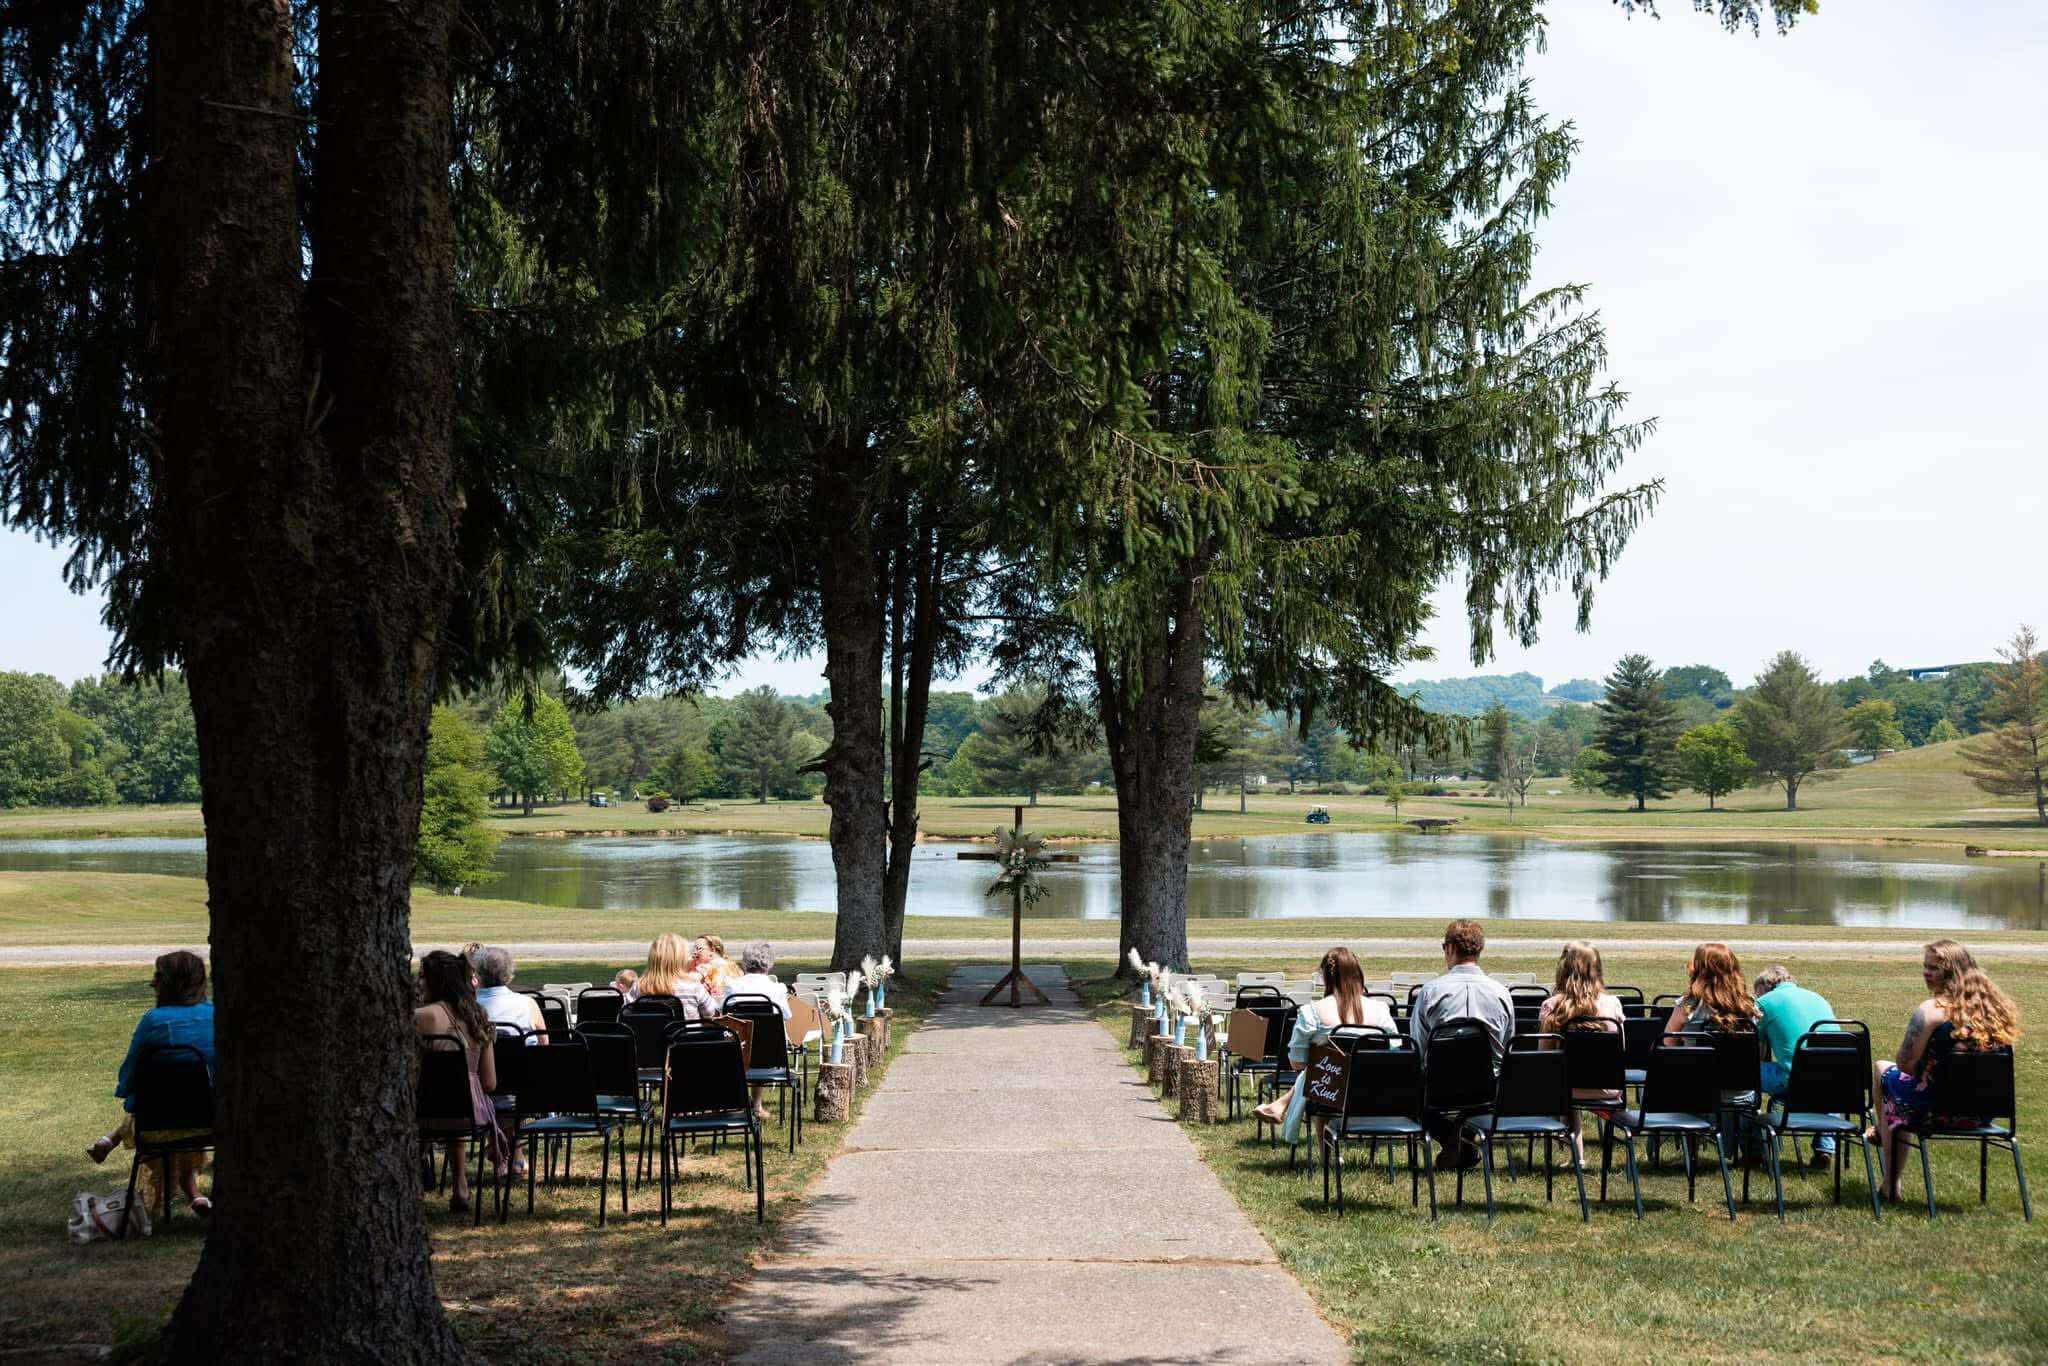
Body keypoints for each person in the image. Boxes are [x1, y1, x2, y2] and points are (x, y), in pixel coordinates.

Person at [1872, 939, 2023, 1202]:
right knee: (1898, 1095)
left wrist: (1925, 1068)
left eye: (1933, 968)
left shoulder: (1931, 1011)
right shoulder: (1995, 1013)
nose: (1926, 973)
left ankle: (1891, 1181)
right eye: (1925, 966)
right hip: (1981, 1114)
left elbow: (1905, 1063)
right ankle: (1884, 1137)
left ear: (1952, 972)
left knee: (1883, 1071)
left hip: (1935, 1112)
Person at [86, 950, 216, 1217]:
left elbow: (127, 1081)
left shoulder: (153, 1022)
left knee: (158, 1117)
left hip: (158, 1125)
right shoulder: (216, 1016)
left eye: (157, 976)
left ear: (168, 983)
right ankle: (195, 1196)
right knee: (179, 1117)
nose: (152, 982)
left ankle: (192, 1195)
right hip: (214, 1123)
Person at [1251, 948, 1394, 1143]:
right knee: (1322, 1073)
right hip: (1374, 1090)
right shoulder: (1380, 1010)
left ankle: (1323, 1151)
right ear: (1358, 974)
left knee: (1321, 1073)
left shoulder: (1312, 1013)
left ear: (1326, 978)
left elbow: (1296, 1063)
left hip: (1328, 1093)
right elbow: (1396, 1051)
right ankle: (1280, 1105)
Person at [1410, 920, 1515, 1169]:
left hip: (1437, 1088)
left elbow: (1417, 1048)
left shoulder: (1430, 992)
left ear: (1449, 949)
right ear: (1478, 950)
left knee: (1404, 1090)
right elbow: (1508, 1046)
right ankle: (1463, 1135)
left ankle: (1452, 1137)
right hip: (1488, 1090)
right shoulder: (1501, 994)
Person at [413, 949, 502, 1215]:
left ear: (434, 981)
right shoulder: (479, 1016)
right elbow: (489, 1083)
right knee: (456, 1093)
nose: (418, 983)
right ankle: (460, 1183)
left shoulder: (421, 1017)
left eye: (421, 977)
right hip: (470, 1115)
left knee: (433, 1095)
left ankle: (413, 1176)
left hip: (424, 1111)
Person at [1753, 964, 1838, 1168]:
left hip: (1792, 1079)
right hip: (1835, 1080)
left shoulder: (1765, 1003)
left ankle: (1752, 1147)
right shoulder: (1818, 998)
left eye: (1756, 993)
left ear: (1765, 987)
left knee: (1740, 1074)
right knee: (1824, 1079)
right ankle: (1824, 1148)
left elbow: (1754, 1046)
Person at [1538, 940, 1625, 1105]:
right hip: (1608, 1088)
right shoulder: (1613, 1004)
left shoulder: (1552, 1007)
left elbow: (1544, 1059)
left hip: (1563, 1088)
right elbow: (1621, 1051)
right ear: (1598, 969)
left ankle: (1570, 1129)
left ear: (1563, 969)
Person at [637, 932, 717, 1019]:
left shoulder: (639, 986)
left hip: (651, 1032)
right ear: (681, 959)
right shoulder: (693, 987)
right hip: (687, 1032)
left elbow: (627, 1011)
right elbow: (711, 1013)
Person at [471, 945, 546, 1034]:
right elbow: (543, 1043)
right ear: (509, 975)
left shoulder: (465, 1007)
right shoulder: (528, 1004)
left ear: (477, 976)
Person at [724, 941, 793, 1016]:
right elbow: (786, 1015)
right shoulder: (778, 989)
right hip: (769, 1027)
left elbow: (723, 1011)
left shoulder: (732, 986)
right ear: (770, 964)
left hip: (740, 1027)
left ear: (744, 963)